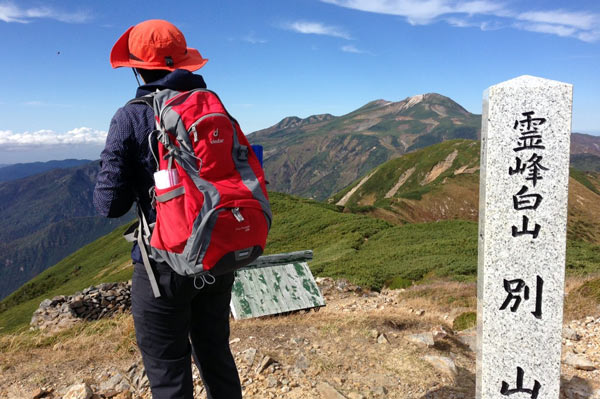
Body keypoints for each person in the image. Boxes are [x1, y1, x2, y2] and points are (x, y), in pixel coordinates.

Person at [93, 20, 242, 399]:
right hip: (217, 250)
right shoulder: (213, 106)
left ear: (136, 67)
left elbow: (109, 204)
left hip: (163, 263)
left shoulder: (130, 117)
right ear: (185, 64)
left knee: (168, 371)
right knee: (216, 355)